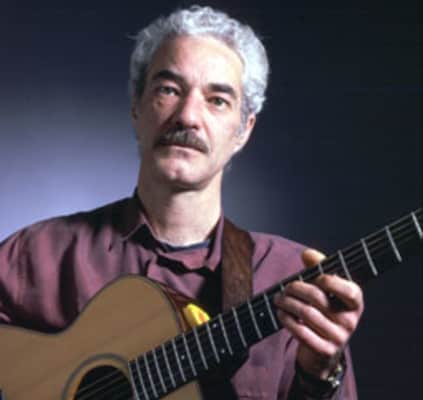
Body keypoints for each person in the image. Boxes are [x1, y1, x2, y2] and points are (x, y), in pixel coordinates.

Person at [0, 5, 364, 399]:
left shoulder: (292, 280)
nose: (188, 116)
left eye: (217, 100)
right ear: (136, 105)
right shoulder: (37, 255)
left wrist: (321, 375)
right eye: (169, 90)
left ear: (243, 130)